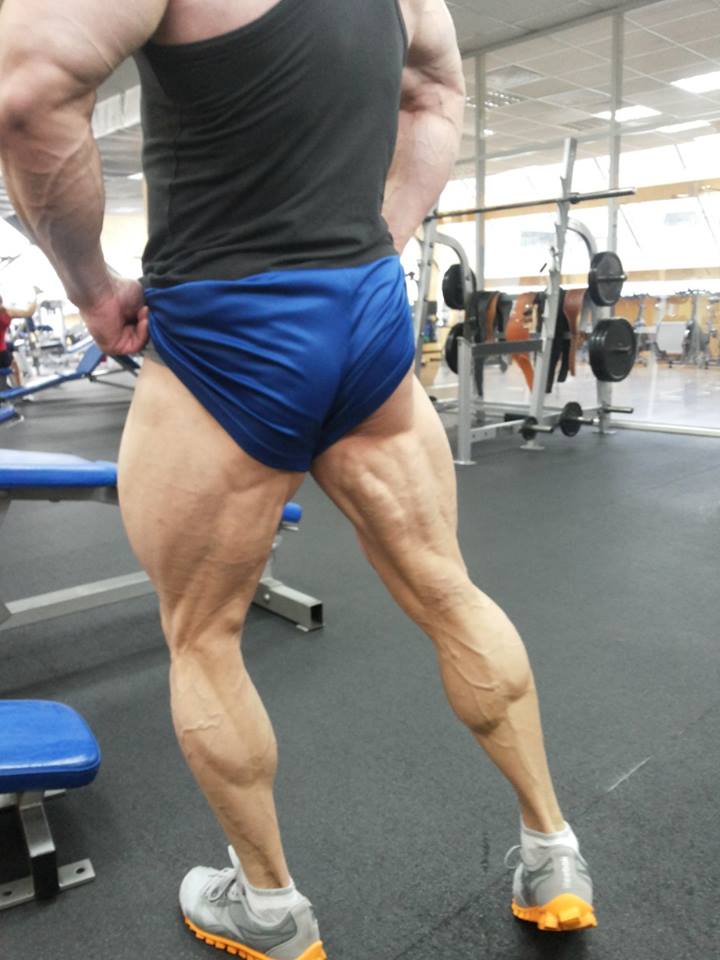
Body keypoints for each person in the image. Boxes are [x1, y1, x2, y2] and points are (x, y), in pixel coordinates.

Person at [0, 1, 596, 957]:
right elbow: (437, 92)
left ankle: (269, 909)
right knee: (449, 590)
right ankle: (552, 850)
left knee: (204, 638)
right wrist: (382, 237)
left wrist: (91, 290)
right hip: (364, 316)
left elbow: (28, 94)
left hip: (224, 326)